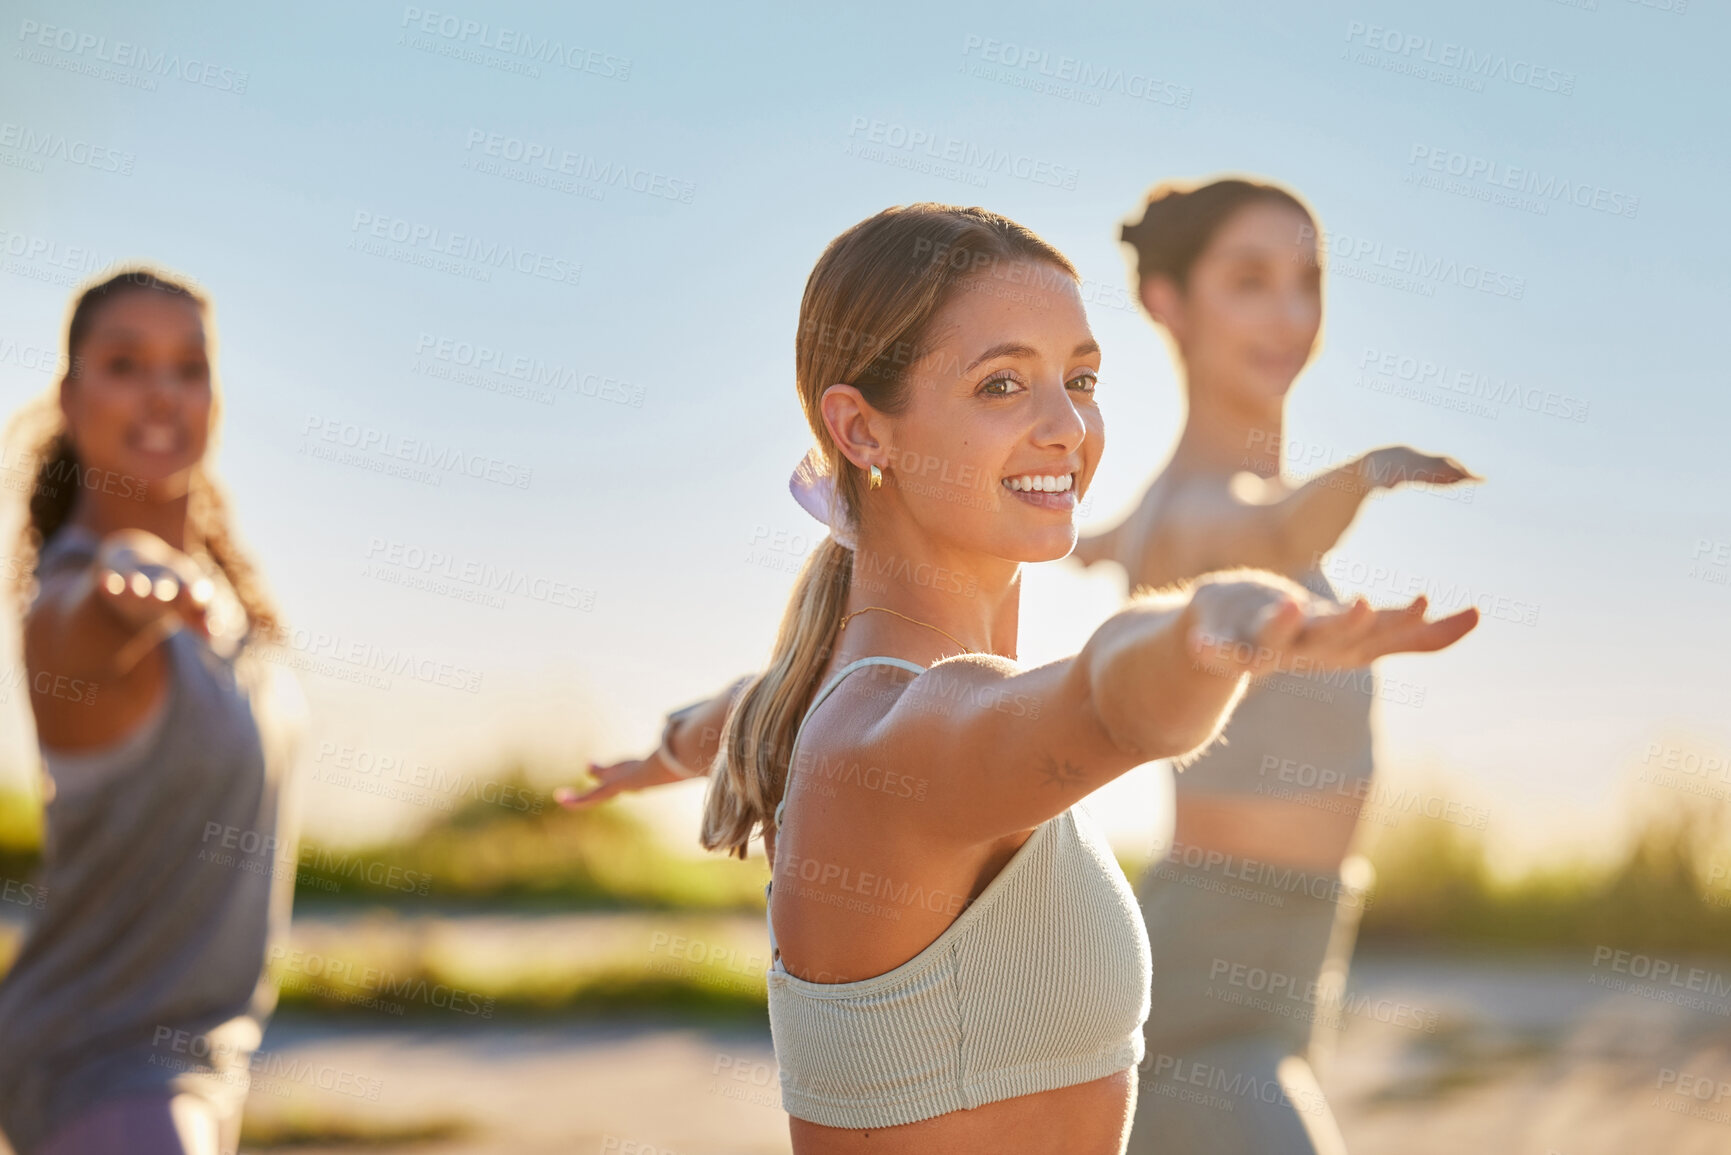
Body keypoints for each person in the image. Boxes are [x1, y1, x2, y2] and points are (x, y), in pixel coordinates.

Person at [562, 202, 1477, 1154]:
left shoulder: (824, 708)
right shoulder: (900, 736)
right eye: (1002, 383)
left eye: (1080, 379)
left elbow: (750, 710)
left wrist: (668, 747)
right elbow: (1105, 696)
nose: (1067, 426)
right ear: (863, 432)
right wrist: (1215, 626)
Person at [1072, 176, 1481, 1154]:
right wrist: (1368, 472)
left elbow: (1110, 537)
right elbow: (1270, 521)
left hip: (1285, 974)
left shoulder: (1155, 514)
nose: (1289, 313)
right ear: (1166, 303)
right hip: (1206, 990)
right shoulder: (1205, 514)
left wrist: (1084, 544)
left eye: (1308, 281)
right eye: (1249, 280)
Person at [0, 269, 305, 1155]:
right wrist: (128, 579)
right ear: (69, 394)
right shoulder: (72, 601)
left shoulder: (227, 600)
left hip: (198, 1060)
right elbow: (89, 613)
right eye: (124, 364)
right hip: (102, 1061)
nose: (161, 392)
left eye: (188, 367)